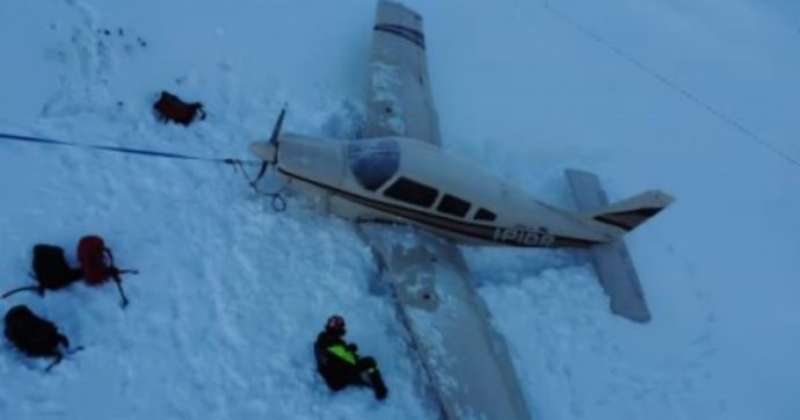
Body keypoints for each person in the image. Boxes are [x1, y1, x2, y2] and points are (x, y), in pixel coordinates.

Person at [314, 315, 388, 400]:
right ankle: (380, 390)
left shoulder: (322, 339)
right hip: (338, 378)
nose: (340, 328)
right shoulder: (330, 342)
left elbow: (337, 355)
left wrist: (349, 349)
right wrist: (351, 351)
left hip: (334, 375)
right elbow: (350, 360)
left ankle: (365, 379)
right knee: (370, 362)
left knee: (360, 366)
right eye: (338, 325)